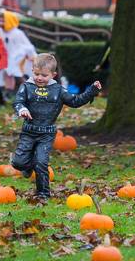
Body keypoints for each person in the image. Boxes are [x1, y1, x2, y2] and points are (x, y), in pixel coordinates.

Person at [11, 54, 101, 201]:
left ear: (53, 75)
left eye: (44, 75)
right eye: (36, 74)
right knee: (18, 163)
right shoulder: (26, 87)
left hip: (47, 134)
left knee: (41, 163)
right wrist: (21, 109)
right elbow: (18, 102)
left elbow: (75, 101)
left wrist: (91, 91)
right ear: (32, 70)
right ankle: (27, 166)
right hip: (28, 131)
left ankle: (43, 194)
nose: (39, 78)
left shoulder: (58, 90)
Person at [1, 10, 37, 96]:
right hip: (8, 57)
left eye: (3, 20)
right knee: (7, 74)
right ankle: (8, 91)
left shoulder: (18, 33)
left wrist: (32, 55)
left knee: (18, 75)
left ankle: (29, 91)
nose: (0, 22)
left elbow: (27, 45)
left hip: (18, 57)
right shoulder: (2, 32)